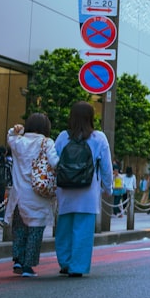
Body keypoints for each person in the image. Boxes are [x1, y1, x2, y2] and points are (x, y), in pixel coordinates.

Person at [55, 101, 114, 277]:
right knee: (83, 230)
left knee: (64, 228)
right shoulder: (98, 138)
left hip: (65, 190)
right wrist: (108, 187)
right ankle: (77, 266)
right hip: (88, 191)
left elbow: (54, 162)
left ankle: (65, 262)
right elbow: (106, 167)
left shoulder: (62, 137)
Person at [4, 115, 58, 277]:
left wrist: (15, 129)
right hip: (37, 195)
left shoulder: (19, 142)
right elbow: (55, 162)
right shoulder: (47, 143)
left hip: (18, 196)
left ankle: (18, 260)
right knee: (35, 230)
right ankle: (28, 266)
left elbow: (10, 136)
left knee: (19, 229)